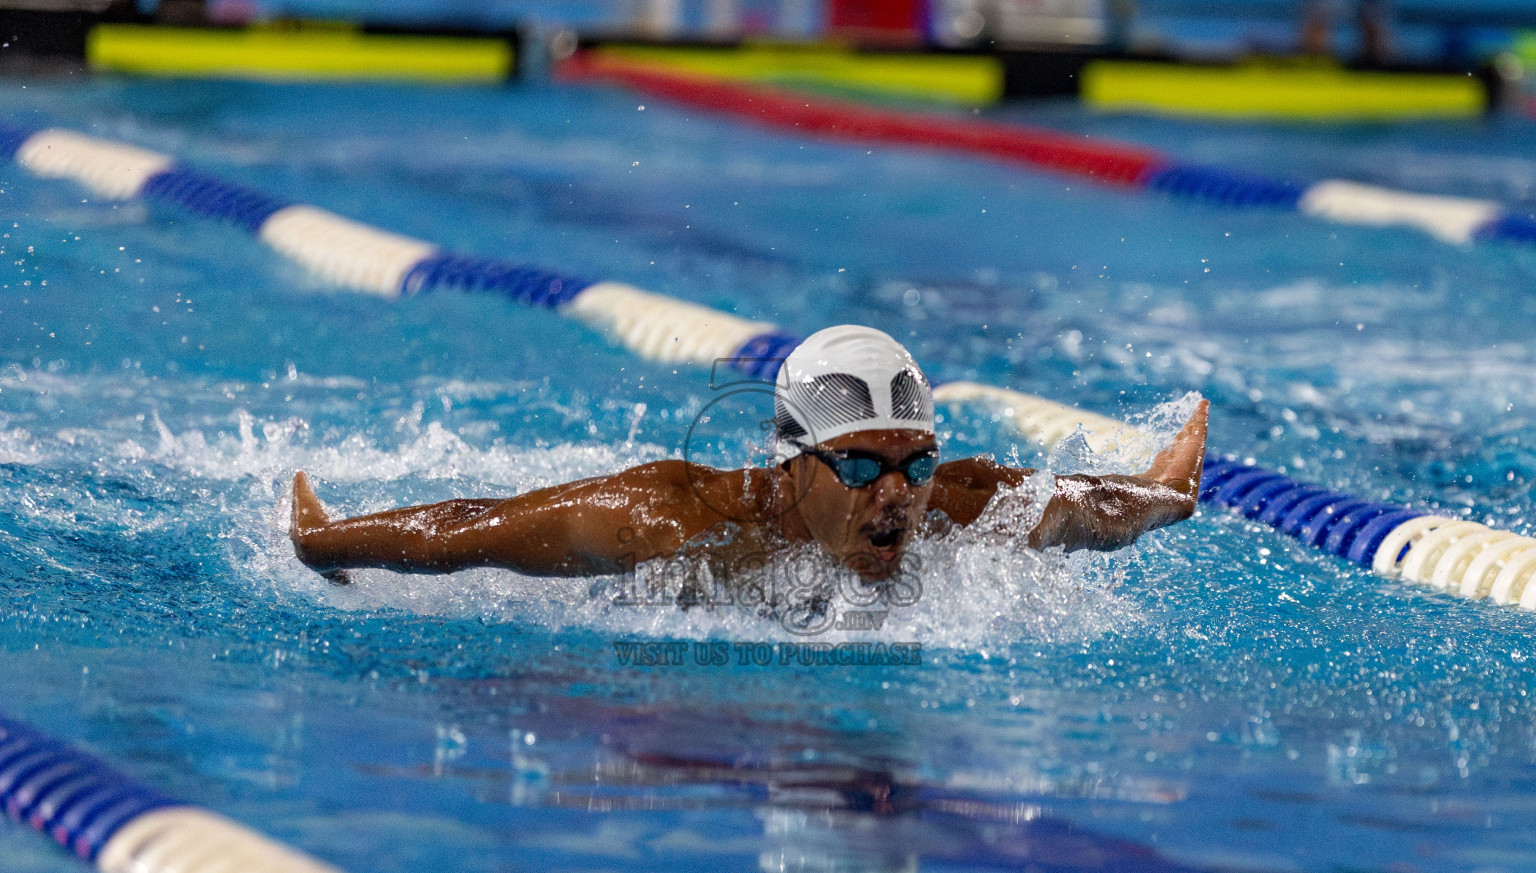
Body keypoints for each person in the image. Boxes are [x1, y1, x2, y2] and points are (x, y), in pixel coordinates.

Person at [290, 325, 1208, 585]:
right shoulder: (675, 519)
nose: (896, 495)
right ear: (794, 464)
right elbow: (475, 527)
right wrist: (327, 545)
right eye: (859, 468)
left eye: (915, 464)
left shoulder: (956, 507)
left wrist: (1166, 495)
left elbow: (1084, 505)